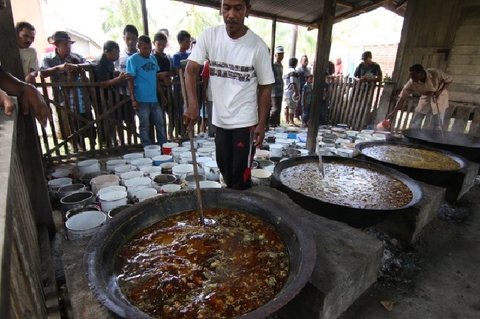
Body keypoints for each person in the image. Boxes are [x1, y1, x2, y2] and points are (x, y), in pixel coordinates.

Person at [184, 0, 274, 190]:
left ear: (247, 10)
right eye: (227, 7)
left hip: (245, 121)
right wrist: (192, 104)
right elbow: (190, 70)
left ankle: (241, 211)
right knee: (224, 167)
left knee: (240, 174)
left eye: (237, 8)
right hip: (220, 120)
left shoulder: (257, 46)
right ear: (221, 8)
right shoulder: (210, 36)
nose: (231, 14)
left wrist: (262, 123)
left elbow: (266, 86)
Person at [40, 31, 95, 145]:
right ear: (57, 45)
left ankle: (87, 147)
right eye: (65, 44)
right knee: (67, 127)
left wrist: (77, 67)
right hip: (60, 98)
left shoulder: (76, 57)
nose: (68, 47)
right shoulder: (48, 59)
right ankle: (75, 148)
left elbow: (89, 65)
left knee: (86, 123)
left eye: (69, 44)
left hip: (79, 99)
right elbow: (43, 72)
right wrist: (59, 68)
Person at [126, 35, 167, 146]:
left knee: (161, 123)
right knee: (145, 126)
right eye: (145, 48)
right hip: (141, 99)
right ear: (138, 46)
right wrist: (133, 99)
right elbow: (130, 81)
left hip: (154, 98)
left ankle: (164, 146)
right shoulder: (132, 60)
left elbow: (155, 78)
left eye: (149, 48)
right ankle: (147, 148)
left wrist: (161, 95)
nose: (148, 51)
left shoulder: (153, 58)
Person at [388, 64, 453, 130]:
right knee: (416, 121)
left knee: (438, 123)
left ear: (420, 73)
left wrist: (440, 91)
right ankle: (414, 135)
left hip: (440, 97)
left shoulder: (435, 73)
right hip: (425, 98)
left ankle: (436, 136)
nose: (411, 78)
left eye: (413, 76)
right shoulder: (411, 83)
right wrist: (394, 112)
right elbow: (402, 98)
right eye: (410, 76)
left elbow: (449, 80)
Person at [91, 40, 130, 143]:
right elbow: (101, 83)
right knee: (105, 121)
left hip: (110, 96)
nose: (116, 55)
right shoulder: (100, 63)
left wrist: (116, 74)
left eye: (117, 53)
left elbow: (110, 75)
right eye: (114, 53)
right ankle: (108, 143)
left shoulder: (109, 62)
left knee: (114, 119)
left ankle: (115, 142)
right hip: (100, 97)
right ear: (106, 51)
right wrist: (117, 80)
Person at [115, 25, 139, 142]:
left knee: (134, 120)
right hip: (122, 94)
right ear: (123, 38)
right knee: (120, 119)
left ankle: (133, 141)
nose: (131, 42)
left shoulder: (142, 55)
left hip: (139, 93)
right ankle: (123, 143)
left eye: (134, 39)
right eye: (128, 38)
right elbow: (113, 73)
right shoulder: (119, 57)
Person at [269, 45, 284, 127]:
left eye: (282, 54)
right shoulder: (273, 65)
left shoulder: (281, 65)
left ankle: (276, 124)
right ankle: (271, 124)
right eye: (279, 54)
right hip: (274, 91)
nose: (281, 56)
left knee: (278, 109)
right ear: (275, 55)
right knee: (275, 109)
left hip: (280, 90)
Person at [284, 57, 299, 126]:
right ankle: (291, 121)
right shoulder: (293, 71)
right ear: (295, 63)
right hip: (291, 91)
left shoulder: (286, 71)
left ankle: (286, 120)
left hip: (285, 90)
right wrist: (296, 92)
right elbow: (293, 82)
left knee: (286, 106)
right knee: (291, 107)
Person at [295, 55, 311, 121]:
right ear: (301, 61)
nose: (306, 62)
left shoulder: (308, 70)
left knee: (304, 102)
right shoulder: (298, 70)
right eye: (305, 61)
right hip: (300, 87)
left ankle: (303, 115)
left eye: (307, 61)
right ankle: (297, 115)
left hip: (306, 88)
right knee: (298, 102)